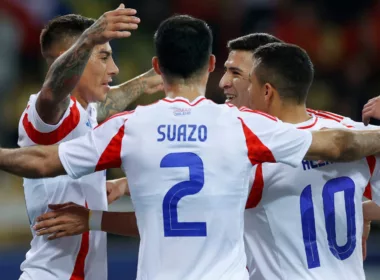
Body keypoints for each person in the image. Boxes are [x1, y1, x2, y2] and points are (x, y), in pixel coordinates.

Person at [5, 16, 380, 280]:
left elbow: (41, 162)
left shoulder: (131, 127)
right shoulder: (243, 129)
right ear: (211, 64)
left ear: (157, 65)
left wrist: (116, 198)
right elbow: (338, 146)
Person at [17, 4, 162, 280]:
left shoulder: (84, 113)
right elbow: (54, 90)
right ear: (73, 57)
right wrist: (88, 40)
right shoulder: (45, 114)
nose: (115, 68)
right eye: (104, 56)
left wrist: (146, 81)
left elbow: (107, 104)